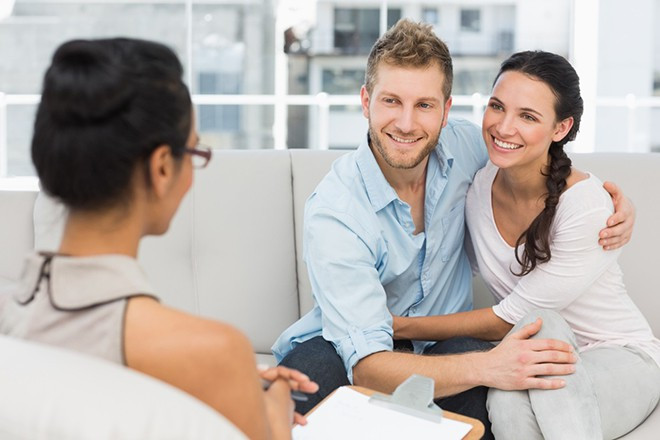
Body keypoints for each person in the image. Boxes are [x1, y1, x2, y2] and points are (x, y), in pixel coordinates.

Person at [271, 19, 635, 437]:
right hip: (350, 349)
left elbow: (537, 154)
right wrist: (489, 364)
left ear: (446, 111)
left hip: (449, 347)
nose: (406, 124)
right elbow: (368, 366)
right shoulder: (336, 210)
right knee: (301, 386)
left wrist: (610, 202)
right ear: (365, 101)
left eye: (424, 105)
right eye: (391, 101)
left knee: (480, 392)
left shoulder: (469, 147)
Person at [0, 38, 317, 440]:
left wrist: (227, 379)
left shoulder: (11, 321)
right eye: (194, 151)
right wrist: (275, 409)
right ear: (163, 167)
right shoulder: (214, 351)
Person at [392, 50, 660, 439]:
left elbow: (509, 318)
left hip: (620, 356)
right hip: (531, 355)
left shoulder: (585, 207)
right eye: (497, 107)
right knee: (505, 399)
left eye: (528, 116)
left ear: (560, 128)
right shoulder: (476, 183)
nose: (504, 126)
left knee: (541, 326)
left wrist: (399, 327)